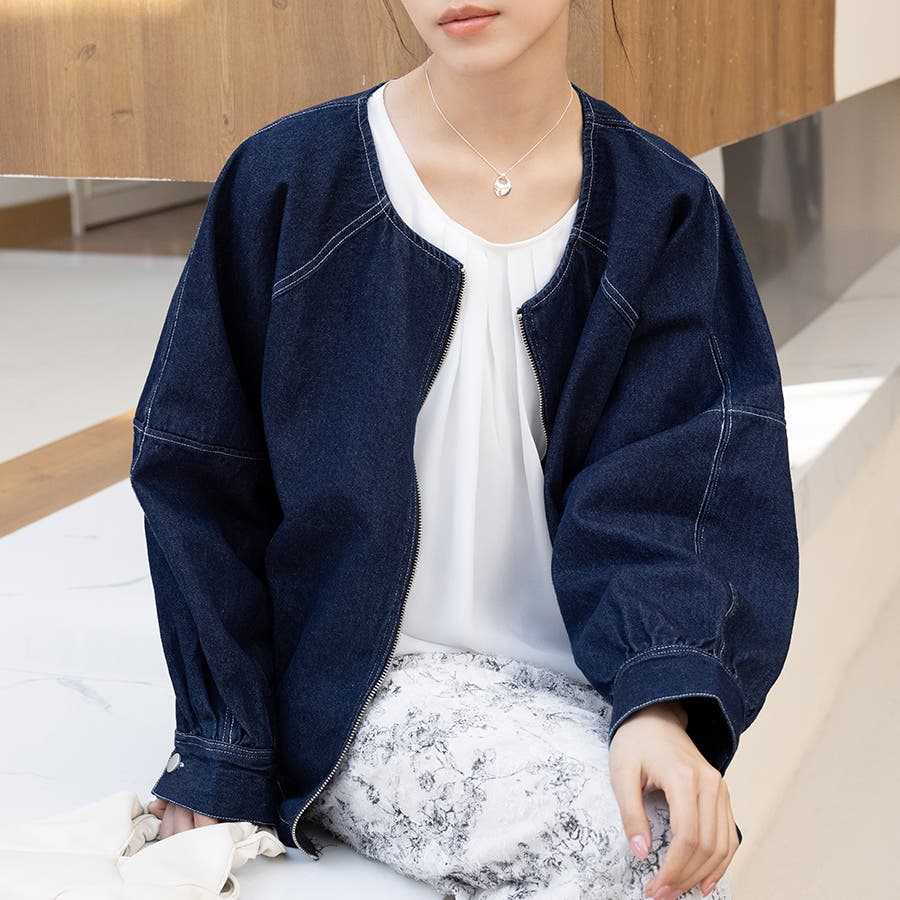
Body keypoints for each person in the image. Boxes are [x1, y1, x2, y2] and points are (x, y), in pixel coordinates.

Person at [132, 1, 800, 898]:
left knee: (671, 833)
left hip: (590, 679)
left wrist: (660, 700)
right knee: (628, 848)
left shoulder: (662, 207)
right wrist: (223, 750)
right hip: (368, 685)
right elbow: (200, 474)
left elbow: (687, 487)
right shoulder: (291, 178)